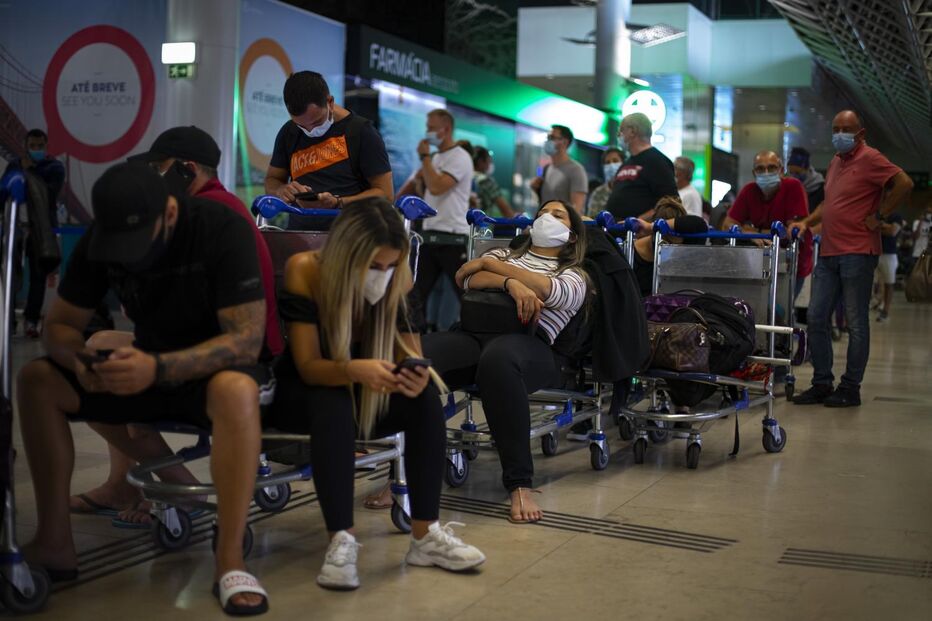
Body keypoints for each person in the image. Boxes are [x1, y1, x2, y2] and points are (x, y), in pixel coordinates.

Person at [17, 162, 272, 614]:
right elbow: (60, 327)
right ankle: (54, 542)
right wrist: (81, 362)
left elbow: (245, 341)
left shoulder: (220, 228)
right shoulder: (103, 238)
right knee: (38, 380)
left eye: (137, 244)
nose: (129, 258)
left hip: (209, 373)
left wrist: (157, 367)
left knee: (236, 389)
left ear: (170, 214)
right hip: (146, 363)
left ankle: (229, 557)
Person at [68, 126, 285, 527]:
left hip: (236, 353)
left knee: (108, 374)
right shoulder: (204, 208)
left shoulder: (209, 216)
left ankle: (179, 487)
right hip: (210, 338)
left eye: (159, 167)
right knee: (98, 351)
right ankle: (123, 484)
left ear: (187, 169)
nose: (153, 178)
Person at [268, 197, 485, 590]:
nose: (381, 276)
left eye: (388, 267)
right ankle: (341, 539)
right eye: (372, 266)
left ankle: (425, 535)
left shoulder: (398, 278)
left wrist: (414, 376)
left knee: (423, 400)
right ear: (346, 255)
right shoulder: (307, 270)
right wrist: (353, 369)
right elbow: (308, 365)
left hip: (366, 387)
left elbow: (411, 355)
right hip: (306, 391)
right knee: (333, 398)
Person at [422, 200, 589, 524]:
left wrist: (491, 267)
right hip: (473, 334)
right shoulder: (504, 253)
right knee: (417, 358)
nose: (546, 218)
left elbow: (549, 290)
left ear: (572, 236)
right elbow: (466, 278)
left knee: (499, 361)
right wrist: (511, 284)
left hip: (531, 344)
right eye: (542, 213)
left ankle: (519, 484)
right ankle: (403, 474)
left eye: (557, 215)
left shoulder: (575, 274)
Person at [792, 110, 914, 408]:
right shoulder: (836, 161)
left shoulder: (871, 158)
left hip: (858, 252)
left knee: (856, 322)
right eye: (835, 128)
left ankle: (850, 387)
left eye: (846, 129)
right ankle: (822, 382)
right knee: (816, 317)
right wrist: (806, 222)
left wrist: (880, 215)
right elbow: (829, 204)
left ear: (860, 133)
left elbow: (904, 183)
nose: (839, 134)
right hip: (829, 252)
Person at [265, 70, 393, 230]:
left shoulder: (362, 132)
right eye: (301, 125)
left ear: (330, 102)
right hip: (300, 234)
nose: (311, 130)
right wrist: (281, 190)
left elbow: (385, 194)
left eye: (317, 122)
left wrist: (338, 203)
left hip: (351, 234)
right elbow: (272, 179)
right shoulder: (288, 133)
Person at [399, 109, 474, 327]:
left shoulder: (460, 157)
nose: (427, 132)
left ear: (446, 129)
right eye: (427, 127)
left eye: (431, 128)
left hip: (453, 236)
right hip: (429, 233)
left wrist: (424, 158)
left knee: (464, 295)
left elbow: (438, 187)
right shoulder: (435, 158)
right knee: (415, 294)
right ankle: (413, 336)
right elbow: (421, 191)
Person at [722, 150, 814, 299]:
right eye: (760, 169)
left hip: (792, 262)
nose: (766, 173)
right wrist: (747, 232)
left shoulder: (793, 186)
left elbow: (790, 231)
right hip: (759, 261)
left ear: (781, 170)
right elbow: (727, 225)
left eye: (771, 168)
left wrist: (754, 230)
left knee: (780, 308)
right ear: (754, 173)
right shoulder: (749, 190)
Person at [3, 129, 66, 338]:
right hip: (16, 227)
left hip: (42, 230)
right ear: (26, 146)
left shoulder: (55, 167)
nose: (36, 149)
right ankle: (8, 322)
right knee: (10, 276)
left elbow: (50, 194)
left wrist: (28, 171)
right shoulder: (14, 165)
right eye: (32, 146)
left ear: (46, 146)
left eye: (40, 146)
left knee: (38, 278)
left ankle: (31, 321)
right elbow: (4, 190)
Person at [605, 113, 678, 221]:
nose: (618, 135)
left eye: (621, 130)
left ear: (632, 131)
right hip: (615, 227)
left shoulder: (658, 161)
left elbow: (670, 203)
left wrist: (638, 221)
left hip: (638, 229)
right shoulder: (626, 163)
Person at [529, 125, 588, 214]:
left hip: (562, 222)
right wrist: (536, 189)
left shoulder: (576, 170)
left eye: (552, 138)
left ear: (565, 142)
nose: (548, 141)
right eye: (547, 138)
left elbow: (576, 209)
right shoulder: (547, 169)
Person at [873, 213, 903, 323]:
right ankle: (876, 303)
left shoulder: (896, 216)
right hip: (874, 252)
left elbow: (892, 231)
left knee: (889, 284)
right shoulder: (876, 213)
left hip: (889, 254)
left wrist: (877, 226)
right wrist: (885, 226)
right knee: (873, 283)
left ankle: (885, 311)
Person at [472, 146, 515, 218]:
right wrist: (518, 221)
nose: (490, 165)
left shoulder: (465, 177)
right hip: (480, 223)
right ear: (480, 162)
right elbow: (505, 209)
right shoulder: (486, 181)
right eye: (489, 161)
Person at [786, 146, 825, 212]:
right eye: (791, 173)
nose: (794, 177)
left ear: (807, 169)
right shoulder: (789, 188)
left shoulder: (820, 189)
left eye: (797, 173)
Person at [587, 148, 624, 216]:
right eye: (607, 162)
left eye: (615, 161)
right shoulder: (598, 192)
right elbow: (592, 217)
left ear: (624, 163)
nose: (611, 165)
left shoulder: (630, 189)